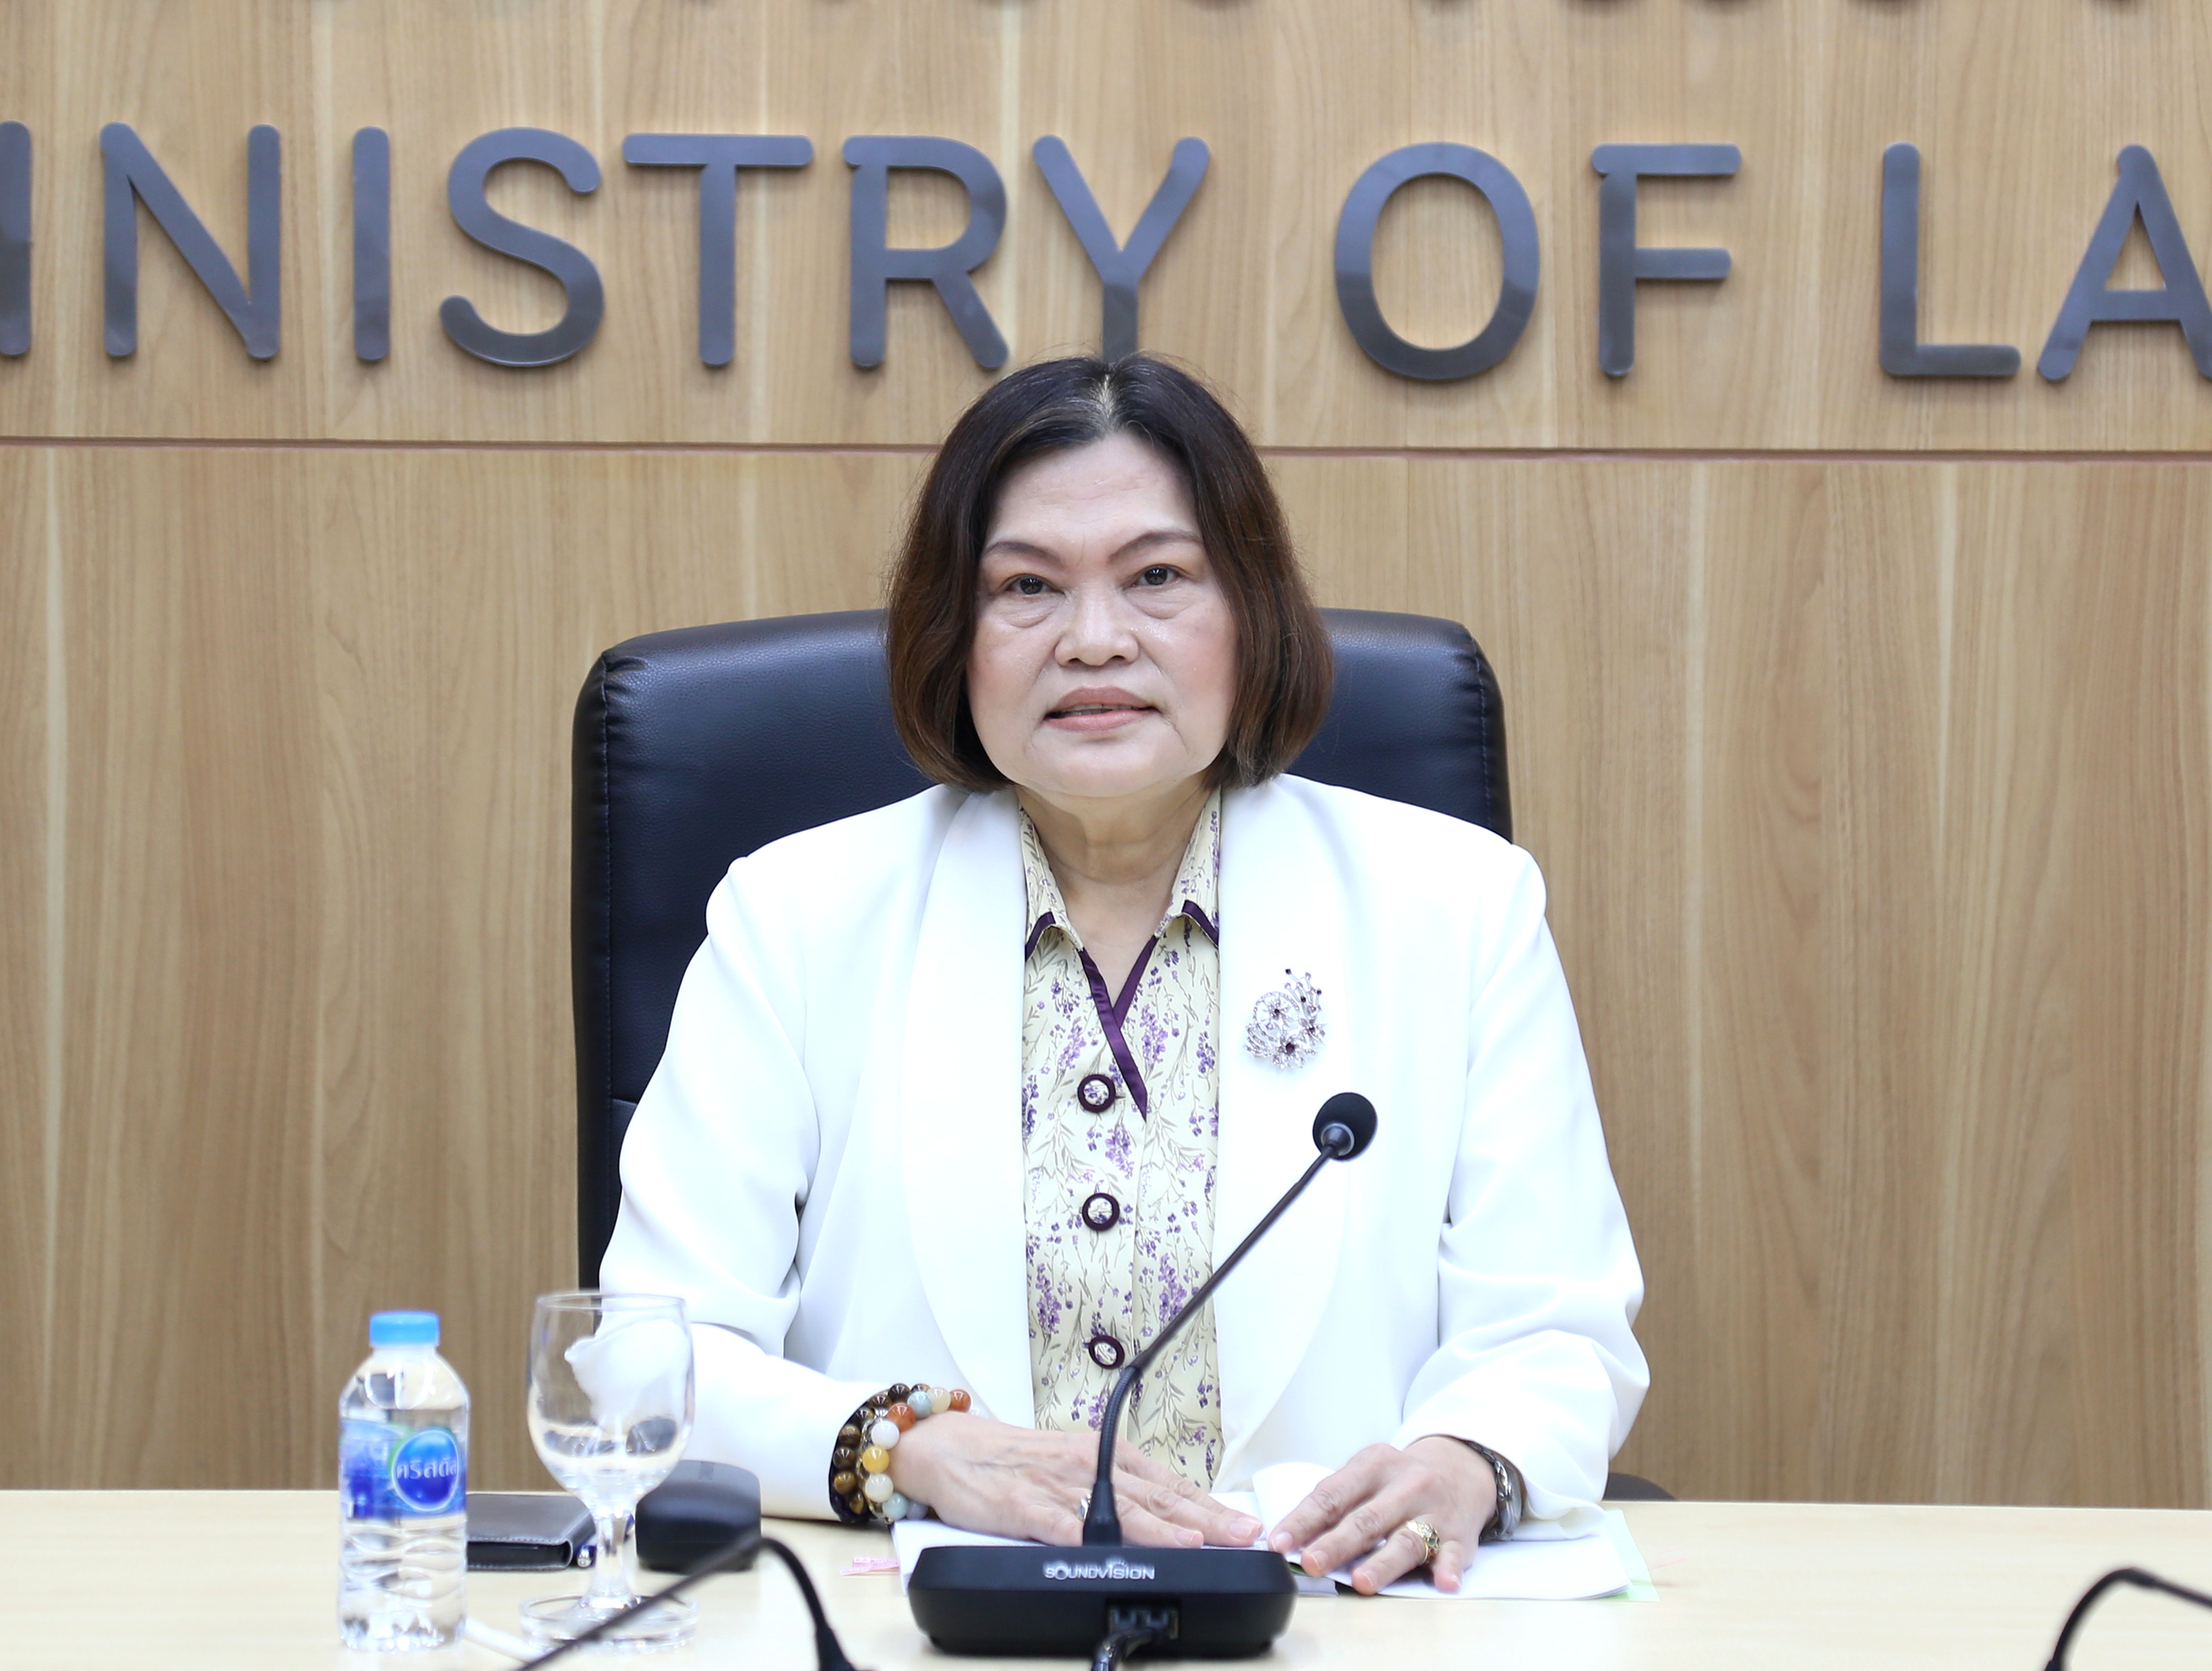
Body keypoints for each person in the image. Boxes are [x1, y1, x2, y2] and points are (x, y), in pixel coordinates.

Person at [600, 354, 1645, 1595]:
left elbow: (1554, 1330)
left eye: (1157, 577)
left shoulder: (1458, 905)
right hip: (926, 1627)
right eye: (1025, 588)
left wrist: (1469, 1457)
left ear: (1249, 611)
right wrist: (910, 1447)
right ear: (955, 636)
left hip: (1341, 1621)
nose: (1093, 641)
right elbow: (649, 1362)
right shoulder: (796, 916)